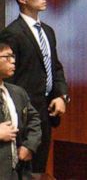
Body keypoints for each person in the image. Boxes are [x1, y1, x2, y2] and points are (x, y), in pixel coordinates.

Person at [0, 0, 68, 174]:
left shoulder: (48, 31)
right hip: (22, 115)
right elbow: (7, 76)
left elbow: (55, 67)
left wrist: (61, 95)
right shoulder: (12, 33)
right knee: (21, 170)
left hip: (45, 112)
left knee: (38, 169)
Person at [0, 41, 41, 179]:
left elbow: (34, 119)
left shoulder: (18, 93)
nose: (13, 61)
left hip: (18, 172)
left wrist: (29, 145)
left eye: (13, 56)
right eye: (7, 57)